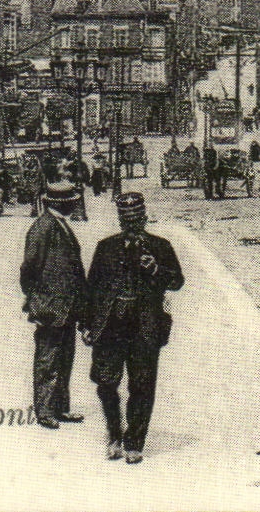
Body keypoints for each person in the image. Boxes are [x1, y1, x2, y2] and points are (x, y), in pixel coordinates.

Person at [82, 193, 184, 463]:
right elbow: (91, 289)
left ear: (145, 218)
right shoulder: (106, 247)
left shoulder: (161, 247)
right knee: (106, 382)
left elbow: (176, 281)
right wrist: (86, 324)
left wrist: (156, 270)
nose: (132, 226)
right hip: (111, 325)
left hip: (145, 326)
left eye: (137, 220)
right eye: (126, 221)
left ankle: (135, 442)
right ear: (119, 221)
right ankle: (114, 433)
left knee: (142, 385)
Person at [20, 179, 88, 431]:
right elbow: (28, 270)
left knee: (64, 358)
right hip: (50, 306)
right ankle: (45, 411)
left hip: (66, 307)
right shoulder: (43, 227)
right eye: (72, 202)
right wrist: (35, 302)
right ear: (64, 204)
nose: (75, 206)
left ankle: (60, 407)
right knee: (48, 360)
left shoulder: (59, 225)